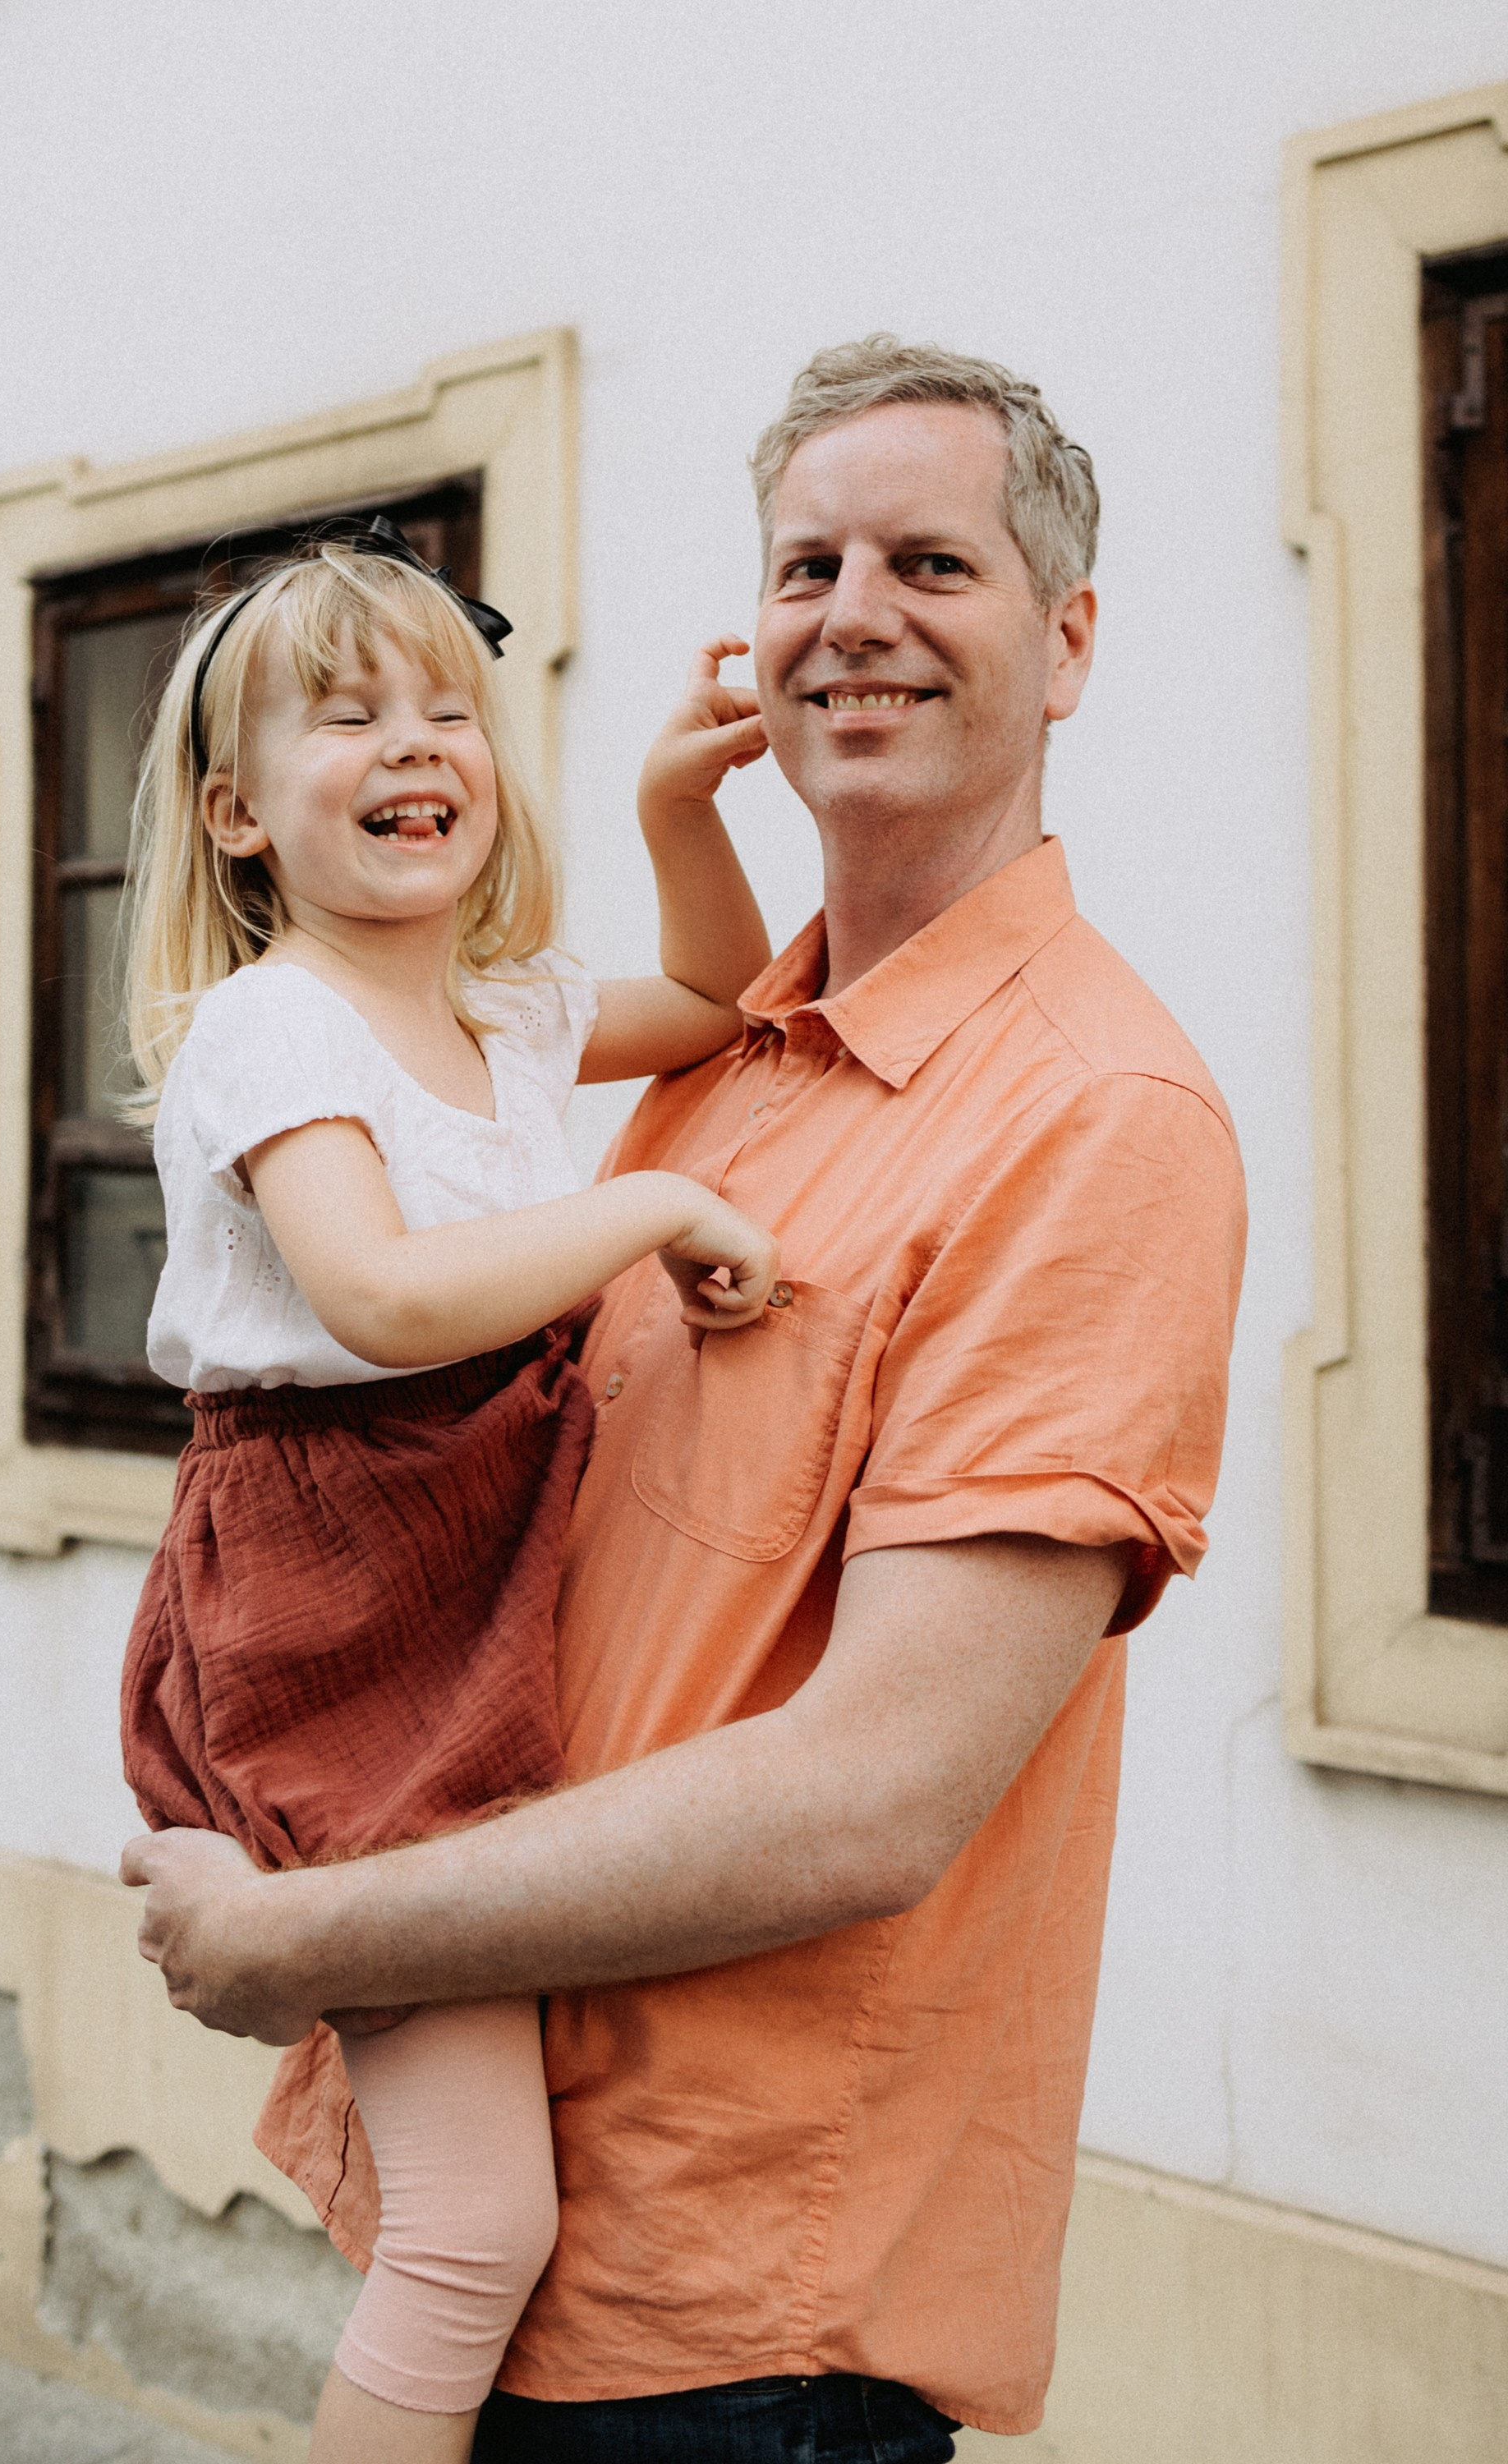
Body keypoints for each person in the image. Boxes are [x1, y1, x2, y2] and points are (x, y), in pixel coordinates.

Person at [124, 338, 1248, 2464]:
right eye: (808, 562)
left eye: (936, 560)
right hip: (517, 2209)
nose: (857, 611)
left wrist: (306, 1929)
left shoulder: (1099, 1122)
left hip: (737, 2326)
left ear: (1068, 640)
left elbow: (871, 1791)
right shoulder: (732, 1054)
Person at [117, 514, 785, 2464]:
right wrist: (647, 1199)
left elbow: (722, 997)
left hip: (477, 1571)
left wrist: (678, 803)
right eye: (346, 719)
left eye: (448, 708)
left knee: (487, 2196)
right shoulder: (272, 1026)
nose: (415, 745)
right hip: (345, 1604)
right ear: (239, 817)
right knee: (478, 2227)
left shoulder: (501, 1009)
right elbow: (384, 1293)